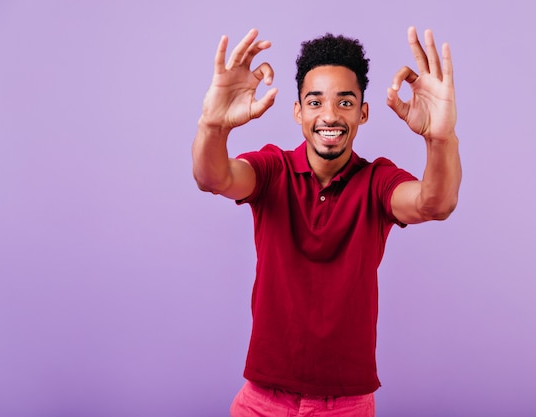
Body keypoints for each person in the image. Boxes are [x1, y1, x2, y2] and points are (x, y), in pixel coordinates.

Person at [192, 26, 461, 417]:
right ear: (298, 111)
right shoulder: (272, 168)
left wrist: (441, 138)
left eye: (346, 103)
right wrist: (212, 125)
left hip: (346, 404)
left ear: (363, 113)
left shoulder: (377, 181)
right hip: (262, 399)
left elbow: (434, 204)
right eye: (315, 102)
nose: (329, 116)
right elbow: (212, 178)